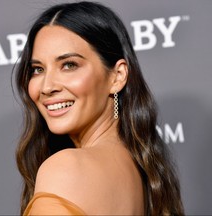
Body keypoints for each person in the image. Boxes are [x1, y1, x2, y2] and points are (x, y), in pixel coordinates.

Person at [14, 1, 184, 215]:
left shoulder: (65, 169)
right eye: (37, 69)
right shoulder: (143, 174)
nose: (47, 87)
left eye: (69, 65)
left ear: (117, 76)